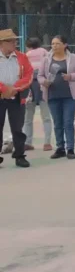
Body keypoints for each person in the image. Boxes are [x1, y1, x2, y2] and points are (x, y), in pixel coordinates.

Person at [41, 35, 75, 161]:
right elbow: (40, 75)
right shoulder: (46, 59)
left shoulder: (74, 58)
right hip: (52, 95)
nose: (54, 46)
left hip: (69, 96)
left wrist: (70, 76)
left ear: (65, 45)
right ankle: (60, 148)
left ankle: (70, 149)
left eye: (57, 43)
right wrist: (44, 81)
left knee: (68, 122)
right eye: (53, 44)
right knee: (57, 123)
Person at [0, 28, 33, 168]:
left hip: (17, 96)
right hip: (1, 95)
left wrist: (14, 89)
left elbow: (29, 75)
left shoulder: (22, 57)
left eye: (15, 41)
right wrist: (3, 89)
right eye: (11, 41)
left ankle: (19, 155)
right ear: (2, 43)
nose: (15, 43)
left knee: (17, 127)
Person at [23, 37, 52, 152]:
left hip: (30, 88)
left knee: (28, 118)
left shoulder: (27, 55)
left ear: (28, 46)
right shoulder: (45, 53)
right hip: (43, 85)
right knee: (46, 117)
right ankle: (47, 143)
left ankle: (27, 142)